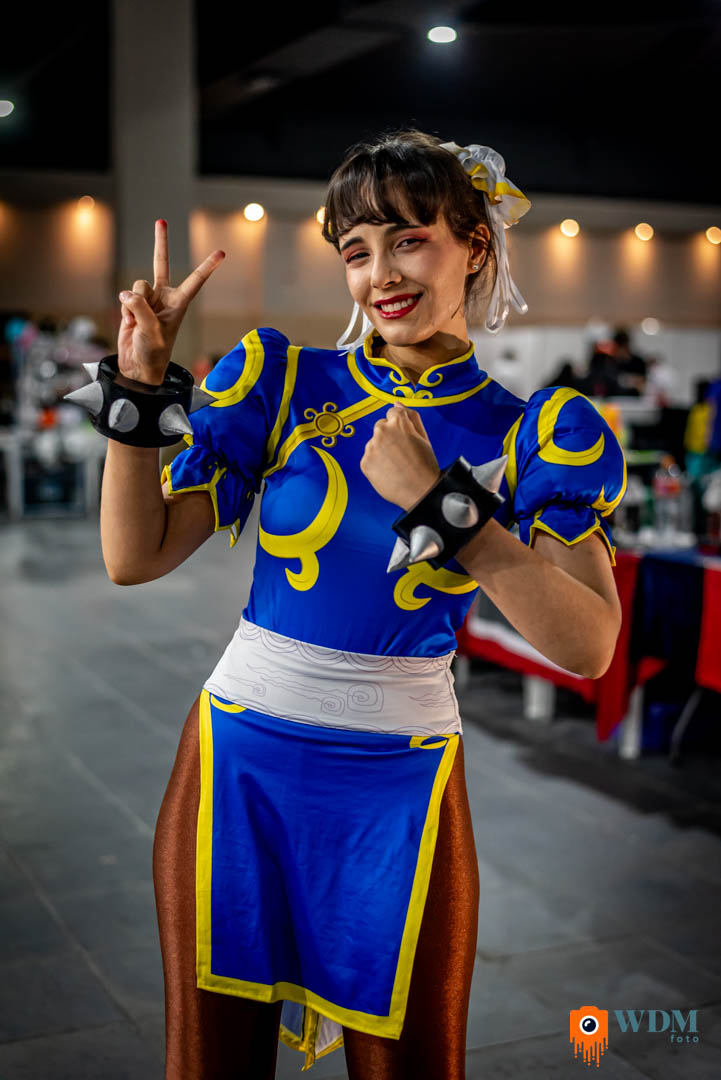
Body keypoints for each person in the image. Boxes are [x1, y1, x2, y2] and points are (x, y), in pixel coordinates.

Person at [83, 128, 626, 1079]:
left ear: (475, 246)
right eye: (356, 250)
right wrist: (136, 389)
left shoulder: (534, 431)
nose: (382, 275)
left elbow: (587, 646)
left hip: (401, 784)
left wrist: (447, 509)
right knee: (208, 1063)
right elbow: (134, 557)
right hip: (236, 763)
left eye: (410, 240)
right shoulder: (284, 381)